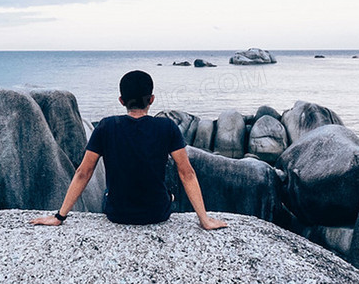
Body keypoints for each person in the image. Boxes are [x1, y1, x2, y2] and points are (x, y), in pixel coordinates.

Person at [30, 70, 228, 230]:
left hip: (117, 214)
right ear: (151, 99)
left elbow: (83, 172)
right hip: (157, 214)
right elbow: (187, 173)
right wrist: (204, 219)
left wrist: (59, 217)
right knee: (169, 192)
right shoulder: (167, 127)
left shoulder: (106, 126)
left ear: (121, 100)